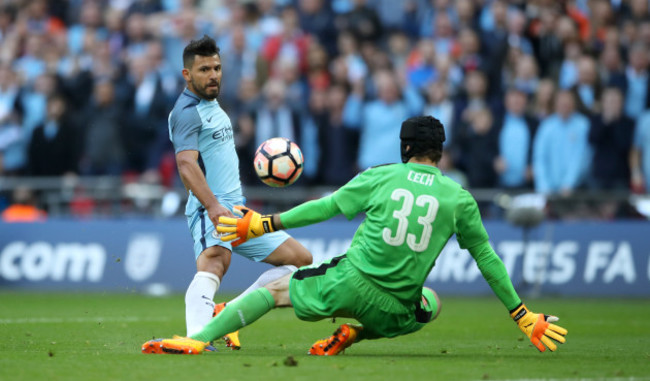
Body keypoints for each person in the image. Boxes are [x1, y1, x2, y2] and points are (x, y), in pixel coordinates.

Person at [143, 116, 567, 356]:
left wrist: (265, 222)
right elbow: (488, 260)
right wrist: (522, 315)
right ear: (440, 153)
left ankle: (197, 339)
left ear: (404, 149)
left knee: (275, 291)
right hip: (396, 309)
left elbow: (325, 208)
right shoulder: (461, 199)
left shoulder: (382, 177)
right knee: (433, 303)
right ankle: (355, 334)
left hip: (350, 282)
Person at [167, 35, 311, 348]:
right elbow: (186, 165)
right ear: (186, 75)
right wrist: (214, 206)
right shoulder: (187, 112)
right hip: (212, 208)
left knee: (301, 261)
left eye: (217, 67)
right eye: (204, 69)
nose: (213, 74)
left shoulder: (213, 104)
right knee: (215, 262)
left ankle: (228, 313)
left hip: (237, 210)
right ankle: (196, 339)